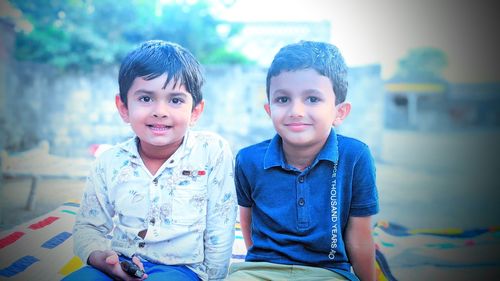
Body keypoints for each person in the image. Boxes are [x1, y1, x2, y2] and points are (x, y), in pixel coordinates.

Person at [63, 40, 237, 281]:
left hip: (182, 270)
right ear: (123, 107)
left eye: (175, 100)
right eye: (146, 98)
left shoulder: (212, 152)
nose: (160, 111)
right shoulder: (109, 162)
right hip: (120, 265)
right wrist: (101, 259)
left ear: (195, 111)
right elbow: (88, 227)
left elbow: (221, 225)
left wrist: (215, 278)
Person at [226, 41, 379, 281]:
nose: (296, 110)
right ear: (269, 110)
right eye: (283, 99)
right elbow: (248, 226)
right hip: (260, 271)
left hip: (328, 272)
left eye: (312, 99)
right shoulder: (248, 160)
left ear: (339, 112)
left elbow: (359, 237)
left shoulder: (355, 156)